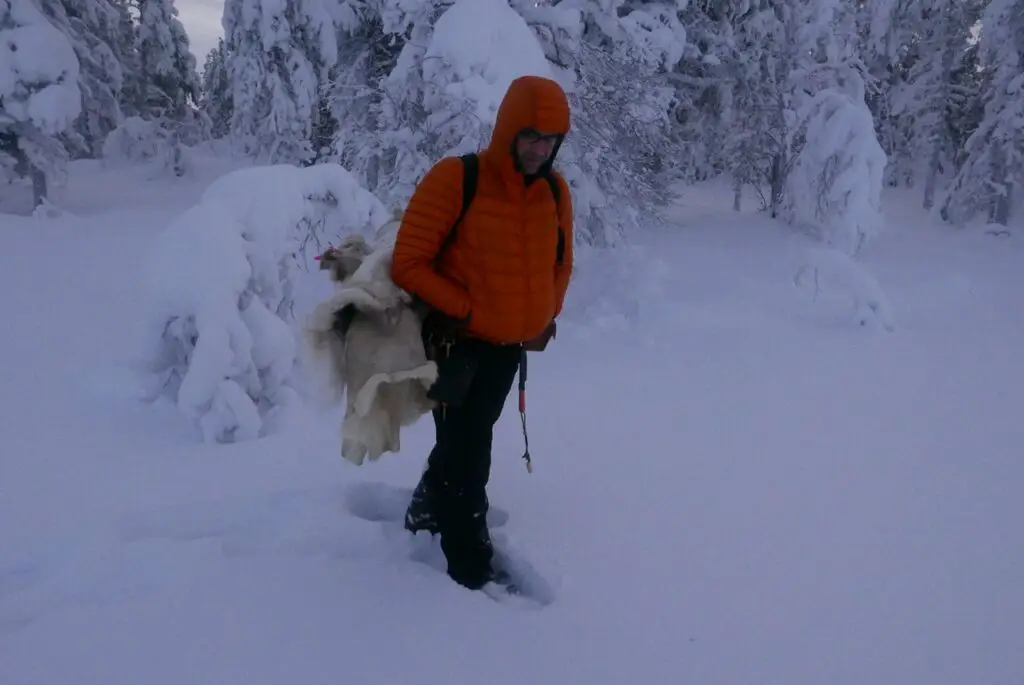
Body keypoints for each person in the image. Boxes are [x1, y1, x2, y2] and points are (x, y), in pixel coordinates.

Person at [389, 74, 574, 591]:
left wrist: (542, 313)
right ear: (509, 130)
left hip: (509, 349)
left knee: (468, 438)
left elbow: (563, 262)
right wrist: (465, 309)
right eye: (531, 136)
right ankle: (469, 566)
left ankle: (427, 507)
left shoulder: (556, 191)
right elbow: (409, 263)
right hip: (459, 348)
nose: (540, 149)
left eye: (550, 139)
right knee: (471, 458)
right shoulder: (457, 179)